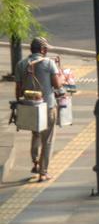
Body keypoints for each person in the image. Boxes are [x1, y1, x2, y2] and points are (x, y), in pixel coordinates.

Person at [14, 37, 63, 182]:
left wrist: (20, 103)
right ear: (42, 50)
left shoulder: (21, 64)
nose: (47, 51)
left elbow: (18, 89)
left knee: (35, 134)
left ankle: (35, 162)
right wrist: (60, 75)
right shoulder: (49, 63)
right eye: (46, 49)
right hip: (47, 106)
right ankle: (43, 172)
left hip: (30, 106)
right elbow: (57, 84)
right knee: (47, 140)